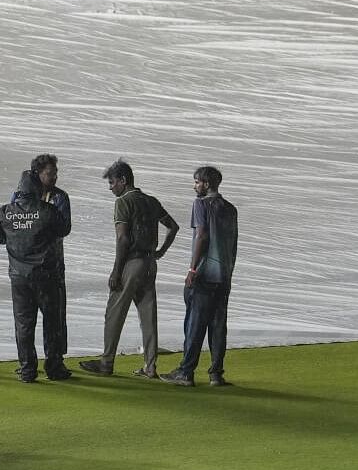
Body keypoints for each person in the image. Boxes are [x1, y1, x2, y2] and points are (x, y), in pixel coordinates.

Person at [78, 159, 178, 378]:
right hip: (150, 263)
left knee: (114, 312)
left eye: (112, 182)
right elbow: (173, 226)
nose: (111, 187)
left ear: (123, 180)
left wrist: (116, 271)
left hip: (131, 263)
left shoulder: (123, 202)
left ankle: (106, 362)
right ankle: (150, 366)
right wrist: (160, 251)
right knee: (148, 316)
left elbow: (123, 239)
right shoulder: (151, 201)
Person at [160, 166, 238, 388]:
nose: (194, 186)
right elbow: (233, 244)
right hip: (224, 275)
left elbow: (202, 235)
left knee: (195, 323)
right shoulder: (230, 209)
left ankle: (186, 371)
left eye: (196, 182)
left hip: (204, 275)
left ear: (205, 183)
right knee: (218, 325)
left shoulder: (201, 204)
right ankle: (216, 373)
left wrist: (192, 269)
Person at [0, 170, 73, 383]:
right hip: (46, 276)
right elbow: (64, 229)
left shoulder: (4, 213)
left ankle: (28, 368)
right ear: (37, 189)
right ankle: (54, 367)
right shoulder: (48, 211)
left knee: (23, 324)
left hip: (18, 278)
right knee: (51, 322)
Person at [10, 154, 71, 358]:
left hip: (52, 264)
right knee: (27, 319)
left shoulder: (60, 197)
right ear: (36, 174)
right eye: (49, 173)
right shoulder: (18, 197)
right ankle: (32, 362)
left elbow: (65, 229)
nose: (54, 177)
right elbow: (13, 226)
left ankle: (55, 358)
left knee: (55, 316)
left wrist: (37, 231)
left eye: (55, 173)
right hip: (26, 265)